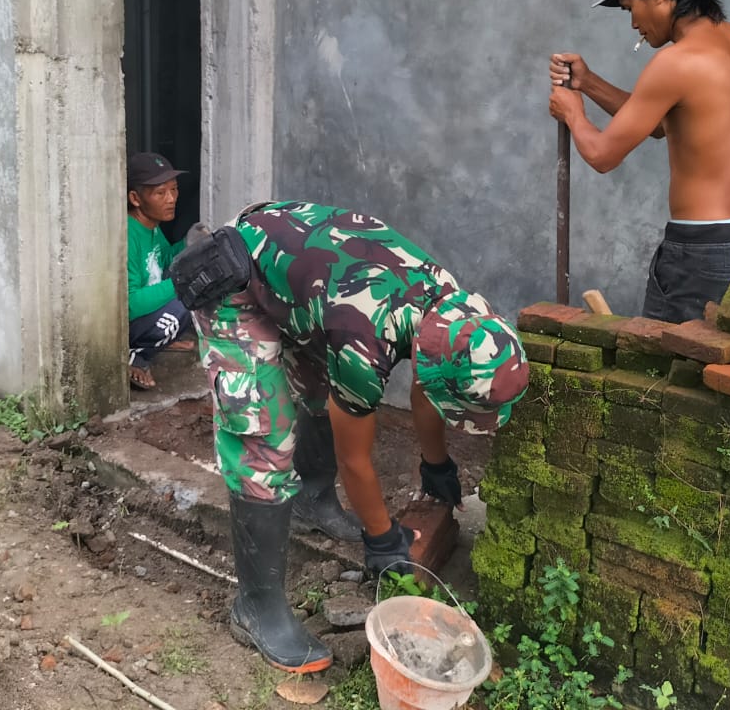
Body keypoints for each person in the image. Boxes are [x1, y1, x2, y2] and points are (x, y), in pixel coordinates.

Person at [188, 201, 528, 673]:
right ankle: (257, 607)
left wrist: (437, 465)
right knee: (264, 438)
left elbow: (427, 389)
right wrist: (382, 537)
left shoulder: (454, 309)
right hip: (238, 282)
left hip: (304, 283)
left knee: (315, 390)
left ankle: (312, 501)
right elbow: (356, 459)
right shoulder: (364, 347)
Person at [548, 0, 730, 323]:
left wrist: (573, 112)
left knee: (666, 375)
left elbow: (603, 156)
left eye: (630, 8)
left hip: (706, 254)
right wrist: (588, 83)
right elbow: (658, 124)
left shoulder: (678, 61)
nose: (635, 24)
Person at [126, 151, 198, 390]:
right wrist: (179, 282)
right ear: (135, 199)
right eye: (160, 193)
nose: (171, 198)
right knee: (185, 302)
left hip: (149, 311)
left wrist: (189, 244)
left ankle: (161, 339)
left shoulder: (152, 227)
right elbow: (131, 304)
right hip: (130, 324)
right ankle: (136, 355)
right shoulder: (128, 233)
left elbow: (164, 261)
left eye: (174, 189)